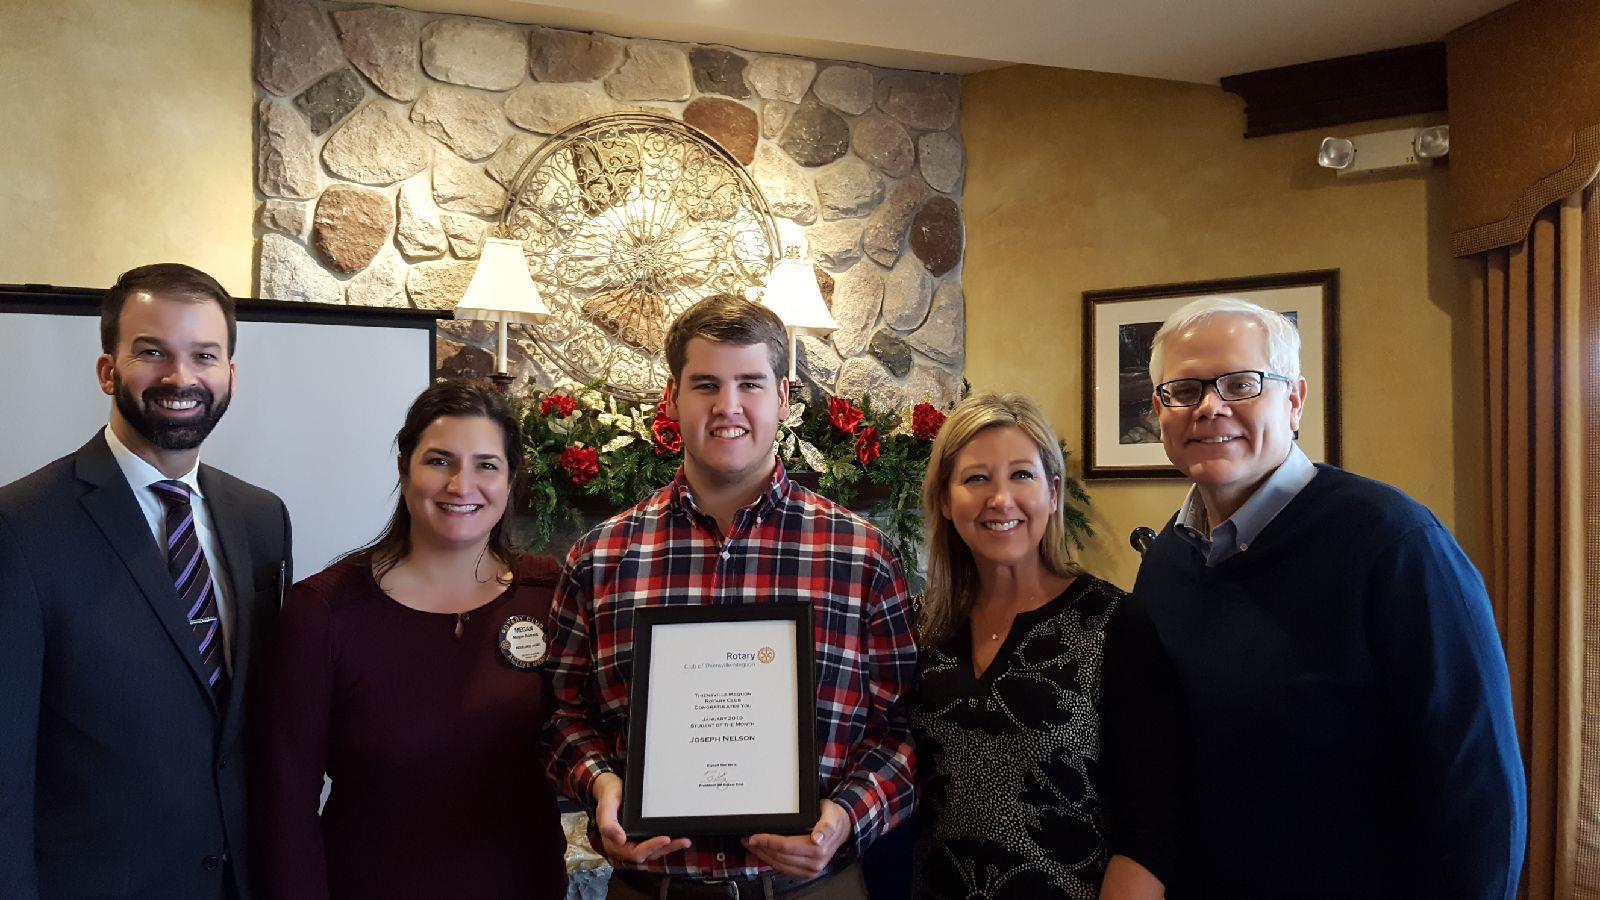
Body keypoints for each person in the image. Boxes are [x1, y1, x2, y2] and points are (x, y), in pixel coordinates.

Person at [1102, 296, 1527, 898]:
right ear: (1159, 412)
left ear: (1295, 400)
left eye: (1240, 384)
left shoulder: (1395, 543)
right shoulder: (1167, 562)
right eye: (1184, 390)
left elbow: (1478, 792)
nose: (1210, 407)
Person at [544, 294, 917, 899]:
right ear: (672, 398)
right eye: (706, 385)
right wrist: (601, 785)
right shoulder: (600, 557)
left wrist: (846, 815)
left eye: (750, 383)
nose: (728, 406)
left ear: (784, 397)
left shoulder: (862, 556)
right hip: (650, 889)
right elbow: (562, 716)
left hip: (813, 889)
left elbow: (901, 727)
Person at [0, 263, 293, 898]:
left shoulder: (261, 518)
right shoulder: (19, 526)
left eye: (204, 356)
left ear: (230, 375)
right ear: (108, 370)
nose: (180, 377)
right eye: (152, 352)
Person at [252, 380, 568, 899]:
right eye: (440, 461)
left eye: (487, 465)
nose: (462, 485)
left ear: (511, 479)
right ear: (404, 469)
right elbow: (284, 805)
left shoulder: (550, 594)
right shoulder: (323, 613)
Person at [907, 393, 1131, 899]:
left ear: (1053, 492)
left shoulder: (1113, 623)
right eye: (976, 478)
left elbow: (1150, 818)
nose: (1001, 499)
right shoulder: (919, 627)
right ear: (945, 500)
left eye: (1021, 475)